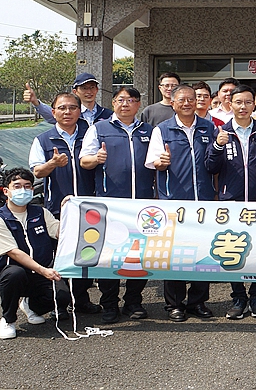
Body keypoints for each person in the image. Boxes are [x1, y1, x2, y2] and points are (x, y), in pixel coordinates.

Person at [78, 86, 154, 323]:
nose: (125, 104)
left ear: (138, 104)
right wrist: (96, 159)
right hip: (110, 205)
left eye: (130, 100)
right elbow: (84, 161)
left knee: (139, 255)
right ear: (113, 103)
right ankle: (109, 303)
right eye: (121, 100)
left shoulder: (148, 130)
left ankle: (133, 301)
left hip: (142, 206)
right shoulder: (99, 129)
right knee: (110, 255)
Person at [206, 85, 256, 321]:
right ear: (230, 104)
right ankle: (238, 297)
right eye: (238, 102)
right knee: (233, 250)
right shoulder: (221, 131)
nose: (243, 107)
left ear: (254, 104)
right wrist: (217, 146)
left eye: (248, 102)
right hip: (232, 202)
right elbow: (210, 166)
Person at [144, 85, 217, 322]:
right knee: (175, 254)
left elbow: (214, 162)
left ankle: (198, 302)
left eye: (191, 99)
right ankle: (174, 304)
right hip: (174, 202)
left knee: (203, 254)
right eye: (182, 100)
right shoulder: (162, 130)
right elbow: (154, 162)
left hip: (204, 202)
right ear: (173, 103)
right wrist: (162, 162)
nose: (187, 103)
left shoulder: (208, 127)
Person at [28, 91, 100, 314]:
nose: (67, 112)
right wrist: (52, 163)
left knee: (86, 254)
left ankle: (81, 300)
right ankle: (59, 303)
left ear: (79, 111)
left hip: (89, 207)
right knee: (60, 256)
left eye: (72, 108)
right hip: (58, 208)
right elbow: (37, 172)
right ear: (53, 112)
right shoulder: (43, 139)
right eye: (62, 108)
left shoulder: (90, 135)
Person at [0, 168, 63, 339]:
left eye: (27, 186)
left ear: (32, 190)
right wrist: (44, 270)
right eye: (17, 186)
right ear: (6, 191)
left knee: (62, 297)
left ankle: (30, 305)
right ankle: (8, 319)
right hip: (10, 276)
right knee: (15, 274)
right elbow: (14, 253)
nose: (23, 190)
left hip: (39, 274)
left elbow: (60, 232)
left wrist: (69, 209)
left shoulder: (41, 213)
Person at [24, 72, 114, 127]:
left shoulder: (108, 115)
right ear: (75, 91)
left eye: (92, 87)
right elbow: (51, 115)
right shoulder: (70, 114)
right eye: (84, 88)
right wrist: (35, 102)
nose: (89, 92)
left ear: (97, 90)